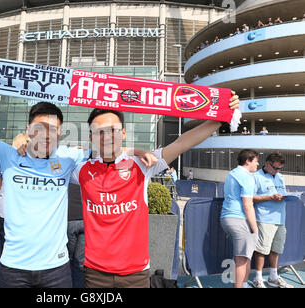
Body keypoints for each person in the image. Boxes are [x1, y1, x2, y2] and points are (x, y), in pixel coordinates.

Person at [0, 51, 156, 288]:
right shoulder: (7, 155)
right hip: (14, 267)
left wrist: (135, 150)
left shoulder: (68, 157)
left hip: (57, 268)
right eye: (39, 127)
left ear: (60, 133)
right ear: (28, 129)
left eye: (52, 129)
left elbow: (106, 146)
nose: (45, 133)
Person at [67, 95, 239, 288]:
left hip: (135, 272)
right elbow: (46, 157)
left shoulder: (142, 164)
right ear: (90, 136)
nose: (106, 137)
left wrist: (220, 117)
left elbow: (181, 143)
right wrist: (25, 140)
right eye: (99, 132)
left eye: (112, 131)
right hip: (94, 272)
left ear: (123, 133)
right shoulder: (80, 170)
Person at [251, 153, 293, 288]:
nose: (277, 171)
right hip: (264, 218)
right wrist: (270, 198)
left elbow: (281, 192)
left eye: (280, 168)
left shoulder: (280, 177)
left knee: (276, 249)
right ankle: (258, 279)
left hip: (280, 219)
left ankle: (273, 277)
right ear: (267, 164)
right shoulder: (256, 177)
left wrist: (286, 196)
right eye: (275, 168)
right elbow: (250, 197)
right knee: (262, 250)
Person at [220, 149, 259, 288]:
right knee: (241, 260)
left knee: (245, 257)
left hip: (227, 219)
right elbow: (248, 205)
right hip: (238, 220)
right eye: (255, 161)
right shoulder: (246, 177)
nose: (257, 164)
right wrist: (255, 229)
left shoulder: (232, 173)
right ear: (248, 161)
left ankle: (244, 285)